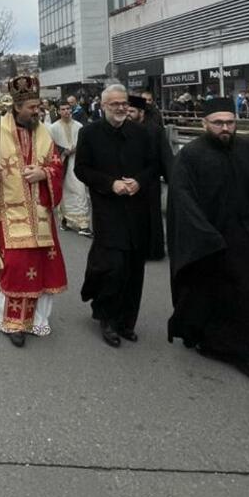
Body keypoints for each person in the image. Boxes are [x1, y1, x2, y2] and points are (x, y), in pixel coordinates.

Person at [166, 97, 249, 391]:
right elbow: (182, 198)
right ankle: (212, 343)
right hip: (208, 240)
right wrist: (205, 235)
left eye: (229, 122)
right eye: (218, 123)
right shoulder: (190, 155)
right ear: (205, 124)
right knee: (212, 295)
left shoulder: (248, 149)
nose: (225, 128)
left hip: (248, 237)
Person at [0, 77, 67, 346]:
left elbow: (56, 166)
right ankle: (12, 322)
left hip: (40, 215)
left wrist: (44, 173)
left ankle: (38, 320)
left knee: (43, 267)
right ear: (17, 107)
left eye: (38, 106)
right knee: (16, 267)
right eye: (31, 107)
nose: (36, 111)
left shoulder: (44, 134)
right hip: (12, 214)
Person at [74, 82, 158, 347]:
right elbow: (82, 169)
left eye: (124, 103)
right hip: (108, 209)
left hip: (136, 209)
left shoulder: (141, 133)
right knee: (113, 266)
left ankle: (126, 321)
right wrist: (110, 184)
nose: (121, 108)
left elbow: (152, 166)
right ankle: (107, 317)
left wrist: (139, 182)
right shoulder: (89, 133)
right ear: (103, 106)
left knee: (134, 268)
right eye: (115, 104)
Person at [126, 93, 171, 260]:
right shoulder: (124, 128)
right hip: (129, 181)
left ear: (141, 112)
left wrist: (171, 179)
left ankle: (154, 251)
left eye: (132, 111)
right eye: (127, 110)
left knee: (152, 216)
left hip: (150, 181)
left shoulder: (154, 130)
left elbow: (165, 157)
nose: (128, 114)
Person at [48, 98, 91, 235]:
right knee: (64, 192)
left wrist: (77, 148)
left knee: (80, 191)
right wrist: (63, 151)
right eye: (63, 109)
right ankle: (65, 220)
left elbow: (85, 143)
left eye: (68, 109)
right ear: (59, 111)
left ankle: (83, 224)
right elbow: (50, 146)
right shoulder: (53, 128)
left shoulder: (78, 125)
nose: (66, 111)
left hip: (77, 162)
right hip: (62, 163)